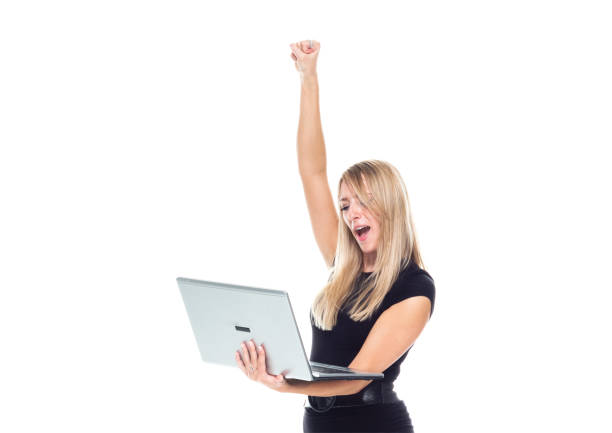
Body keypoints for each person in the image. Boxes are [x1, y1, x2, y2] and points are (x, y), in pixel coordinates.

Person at [235, 40, 435, 433]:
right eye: (345, 205)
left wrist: (286, 384)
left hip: (375, 424)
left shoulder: (414, 288)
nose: (351, 213)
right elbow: (312, 172)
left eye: (363, 202)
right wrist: (308, 79)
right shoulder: (344, 264)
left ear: (390, 206)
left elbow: (359, 377)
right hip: (318, 422)